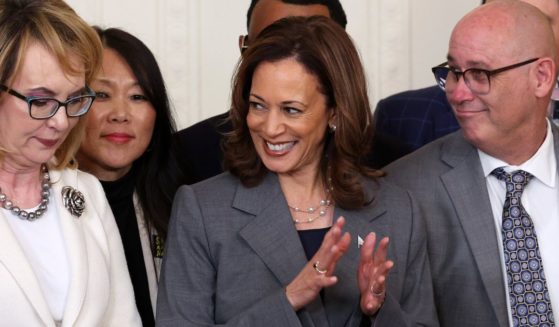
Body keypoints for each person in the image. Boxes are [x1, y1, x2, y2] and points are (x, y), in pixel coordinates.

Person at [157, 16, 437, 326]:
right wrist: (289, 298)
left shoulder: (397, 209)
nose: (270, 127)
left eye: (291, 109)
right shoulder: (202, 210)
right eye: (258, 105)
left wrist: (379, 311)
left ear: (335, 112)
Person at [384, 1, 558, 326]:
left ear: (541, 77)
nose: (457, 93)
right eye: (452, 72)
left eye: (479, 74)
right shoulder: (404, 189)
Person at [0, 0, 140, 325]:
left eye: (74, 99)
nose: (62, 122)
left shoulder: (84, 190)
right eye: (42, 100)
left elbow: (123, 318)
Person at [176, 0, 409, 183]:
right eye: (271, 46)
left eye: (312, 48)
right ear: (245, 49)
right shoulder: (186, 156)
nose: (290, 56)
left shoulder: (396, 167)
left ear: (339, 59)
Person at [76, 27, 189, 327]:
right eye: (102, 94)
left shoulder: (180, 204)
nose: (121, 114)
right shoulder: (39, 203)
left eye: (138, 96)